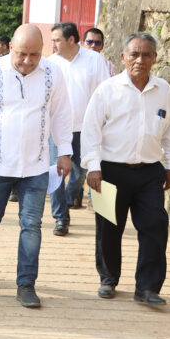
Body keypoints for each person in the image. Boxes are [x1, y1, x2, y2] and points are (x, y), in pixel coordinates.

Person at [0, 24, 73, 309]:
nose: (27, 61)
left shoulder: (52, 73)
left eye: (35, 55)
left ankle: (26, 284)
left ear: (44, 51)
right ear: (11, 48)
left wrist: (65, 151)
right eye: (22, 54)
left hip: (35, 166)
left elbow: (61, 114)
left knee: (32, 225)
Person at [81, 32, 170, 305]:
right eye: (134, 54)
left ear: (155, 59)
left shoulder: (164, 90)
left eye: (146, 54)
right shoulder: (107, 89)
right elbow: (91, 130)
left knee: (155, 225)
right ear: (123, 58)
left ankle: (148, 288)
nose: (140, 60)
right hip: (110, 170)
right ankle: (108, 278)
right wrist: (93, 166)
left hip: (150, 171)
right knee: (108, 228)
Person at [48, 22, 111, 236]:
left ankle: (68, 198)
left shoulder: (94, 60)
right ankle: (60, 217)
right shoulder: (50, 63)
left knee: (80, 172)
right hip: (57, 129)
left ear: (71, 40)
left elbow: (104, 93)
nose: (53, 44)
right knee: (55, 173)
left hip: (86, 129)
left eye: (57, 40)